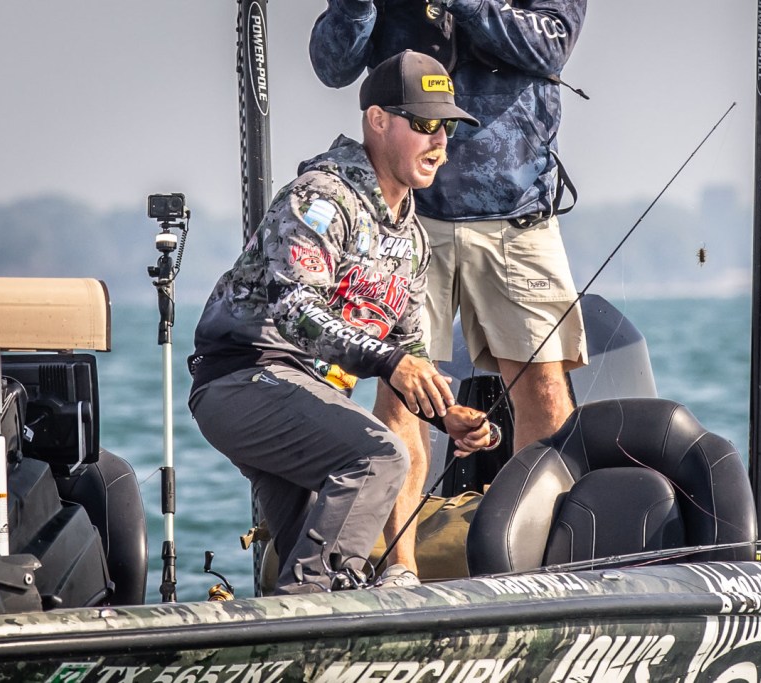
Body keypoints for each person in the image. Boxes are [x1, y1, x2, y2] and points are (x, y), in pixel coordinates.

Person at [187, 50, 488, 593]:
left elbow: (409, 351)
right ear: (378, 120)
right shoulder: (321, 199)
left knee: (312, 557)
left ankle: (301, 623)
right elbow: (294, 308)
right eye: (425, 124)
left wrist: (447, 414)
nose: (440, 142)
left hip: (306, 400)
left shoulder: (413, 241)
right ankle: (318, 607)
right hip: (244, 380)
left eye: (447, 127)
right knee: (379, 456)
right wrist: (390, 362)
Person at [309, 0, 590, 577]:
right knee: (401, 390)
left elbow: (549, 44)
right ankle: (400, 572)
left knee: (543, 388)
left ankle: (541, 571)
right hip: (408, 212)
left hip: (518, 212)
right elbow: (332, 64)